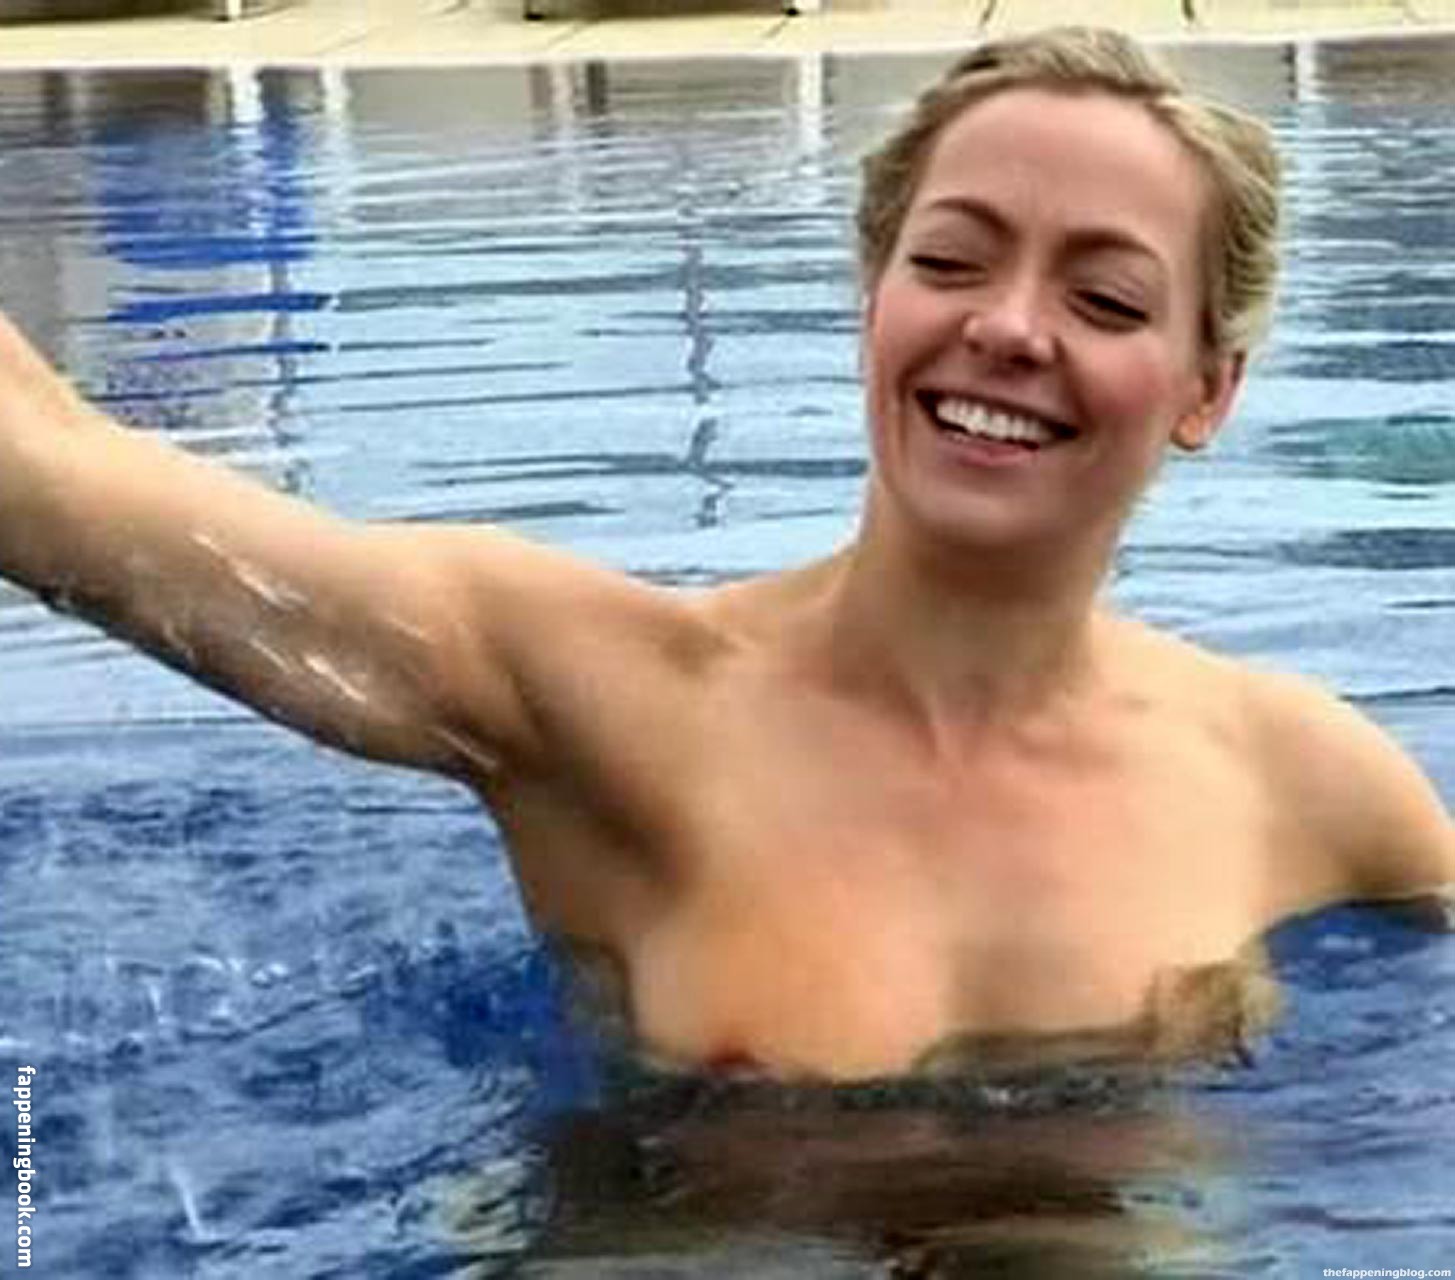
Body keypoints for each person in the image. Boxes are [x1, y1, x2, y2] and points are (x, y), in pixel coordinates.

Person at [0, 27, 1450, 1083]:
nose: (1008, 327)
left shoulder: (1314, 790)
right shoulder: (601, 702)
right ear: (871, 300)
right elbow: (50, 481)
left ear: (1208, 390)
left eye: (1110, 300)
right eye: (950, 261)